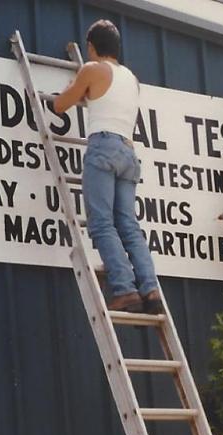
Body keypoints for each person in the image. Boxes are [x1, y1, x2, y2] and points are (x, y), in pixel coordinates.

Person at [52, 19, 162, 315]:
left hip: (103, 147)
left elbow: (60, 105)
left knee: (101, 223)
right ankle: (150, 288)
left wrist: (71, 88)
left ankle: (125, 290)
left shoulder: (92, 69)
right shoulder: (131, 78)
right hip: (128, 151)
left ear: (91, 47)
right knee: (128, 224)